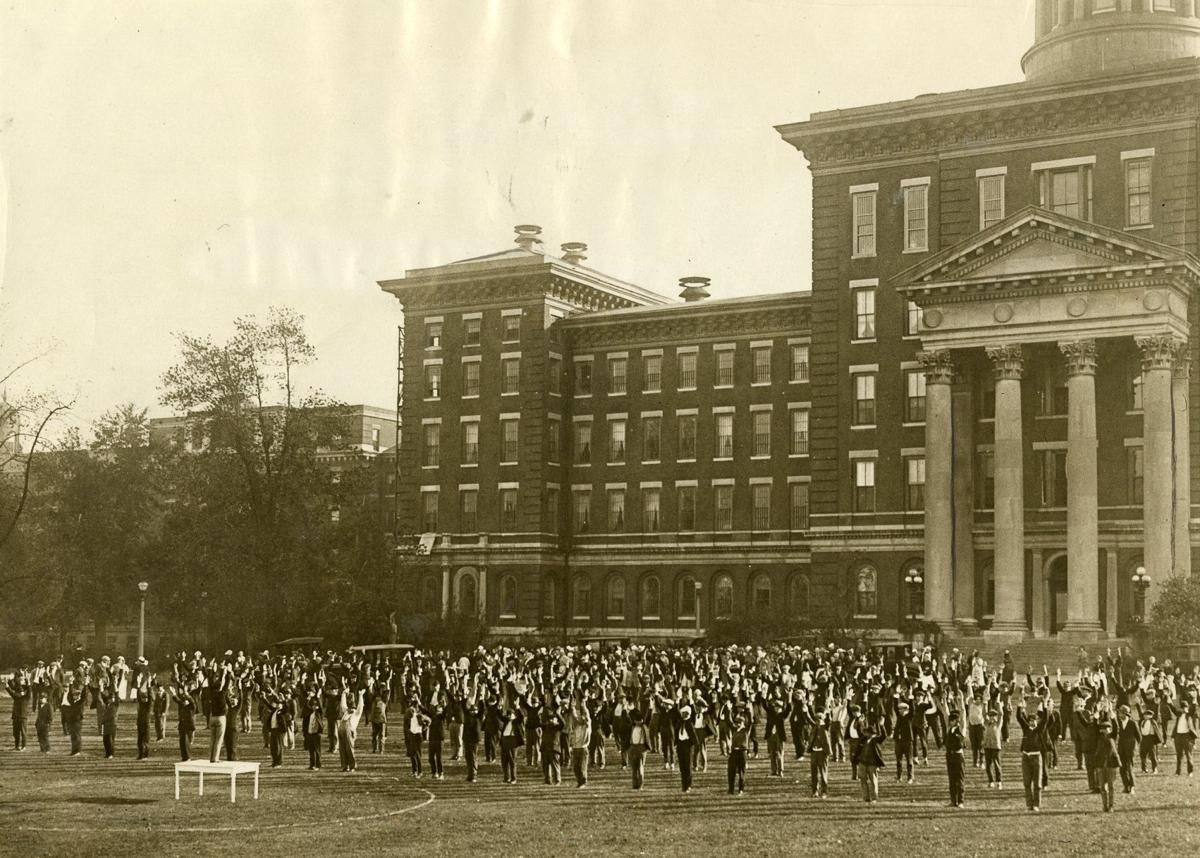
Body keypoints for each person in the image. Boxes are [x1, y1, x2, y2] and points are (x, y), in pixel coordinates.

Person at [1016, 700, 1049, 812]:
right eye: (1030, 721)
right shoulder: (1026, 729)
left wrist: (1044, 706)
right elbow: (1019, 718)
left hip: (1036, 757)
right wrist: (1020, 706)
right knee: (1026, 782)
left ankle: (1036, 804)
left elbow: (1046, 719)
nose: (1032, 723)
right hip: (1026, 757)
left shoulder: (1039, 730)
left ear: (1037, 721)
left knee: (1037, 783)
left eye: (1034, 721)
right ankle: (1029, 804)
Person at [857, 722, 886, 805]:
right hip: (862, 763)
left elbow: (883, 736)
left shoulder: (876, 740)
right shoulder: (863, 739)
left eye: (867, 732)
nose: (866, 733)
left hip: (872, 764)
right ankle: (866, 798)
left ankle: (874, 798)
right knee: (863, 780)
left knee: (873, 781)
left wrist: (881, 725)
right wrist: (860, 723)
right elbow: (860, 732)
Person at [806, 708, 832, 799]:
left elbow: (829, 721)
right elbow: (808, 719)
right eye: (817, 720)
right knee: (814, 773)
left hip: (822, 753)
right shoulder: (814, 727)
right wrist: (806, 709)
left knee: (823, 773)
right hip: (814, 753)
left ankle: (824, 791)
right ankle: (815, 791)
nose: (818, 721)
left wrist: (828, 712)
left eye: (820, 719)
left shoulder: (826, 727)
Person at [566, 697, 592, 788]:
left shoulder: (586, 726)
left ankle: (583, 782)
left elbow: (587, 716)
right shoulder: (576, 726)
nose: (579, 719)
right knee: (575, 768)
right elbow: (574, 716)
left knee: (582, 767)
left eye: (581, 718)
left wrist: (583, 705)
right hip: (575, 748)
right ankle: (579, 781)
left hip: (583, 748)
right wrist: (572, 707)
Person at [1116, 704, 1140, 794]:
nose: (1119, 715)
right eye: (1119, 713)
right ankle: (1126, 786)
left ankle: (1132, 786)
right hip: (1121, 750)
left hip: (1130, 750)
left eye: (1121, 713)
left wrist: (1134, 747)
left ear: (1126, 714)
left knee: (1129, 768)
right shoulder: (1120, 723)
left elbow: (1139, 737)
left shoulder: (1132, 723)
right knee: (1122, 769)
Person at [944, 710, 966, 808]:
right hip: (950, 756)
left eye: (955, 720)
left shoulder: (960, 730)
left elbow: (964, 719)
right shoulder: (949, 730)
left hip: (958, 756)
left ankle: (960, 801)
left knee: (959, 779)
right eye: (952, 720)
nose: (952, 722)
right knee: (952, 780)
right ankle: (953, 801)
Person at [727, 706, 749, 795]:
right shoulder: (734, 730)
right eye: (737, 722)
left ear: (743, 723)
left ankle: (741, 789)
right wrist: (729, 710)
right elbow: (729, 722)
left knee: (741, 772)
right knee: (731, 771)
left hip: (742, 752)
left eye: (740, 722)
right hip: (734, 753)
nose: (738, 724)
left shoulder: (745, 731)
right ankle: (731, 789)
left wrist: (747, 709)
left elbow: (750, 721)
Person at [628, 706, 649, 790]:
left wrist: (650, 707)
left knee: (640, 767)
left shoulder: (644, 727)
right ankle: (634, 784)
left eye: (640, 720)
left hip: (641, 748)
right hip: (633, 747)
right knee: (633, 768)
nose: (638, 722)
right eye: (637, 720)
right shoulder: (632, 727)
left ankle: (640, 785)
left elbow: (648, 717)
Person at [1139, 706, 1163, 774]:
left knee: (1152, 755)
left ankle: (1154, 768)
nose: (1145, 716)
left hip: (1151, 739)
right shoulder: (1142, 721)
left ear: (1150, 716)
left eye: (1147, 715)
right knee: (1143, 754)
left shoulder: (1152, 721)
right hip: (1144, 738)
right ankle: (1144, 769)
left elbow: (1157, 730)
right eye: (1145, 715)